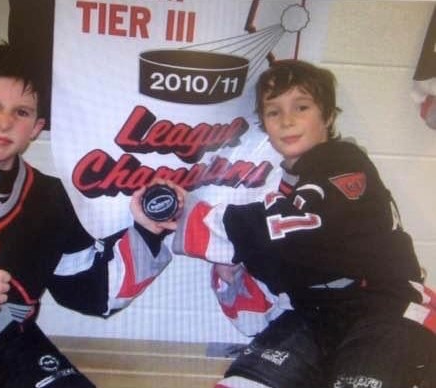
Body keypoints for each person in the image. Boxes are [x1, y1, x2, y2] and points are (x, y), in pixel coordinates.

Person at [0, 42, 180, 388]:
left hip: (14, 348)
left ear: (36, 127)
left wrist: (149, 230)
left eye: (21, 112)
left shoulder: (49, 195)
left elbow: (91, 292)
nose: (4, 122)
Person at [172, 59, 436, 387]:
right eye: (273, 112)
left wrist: (189, 218)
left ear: (327, 116)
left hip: (384, 307)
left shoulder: (346, 163)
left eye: (301, 107)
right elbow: (279, 267)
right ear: (264, 126)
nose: (287, 121)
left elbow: (297, 224)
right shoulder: (286, 191)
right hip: (314, 316)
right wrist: (234, 270)